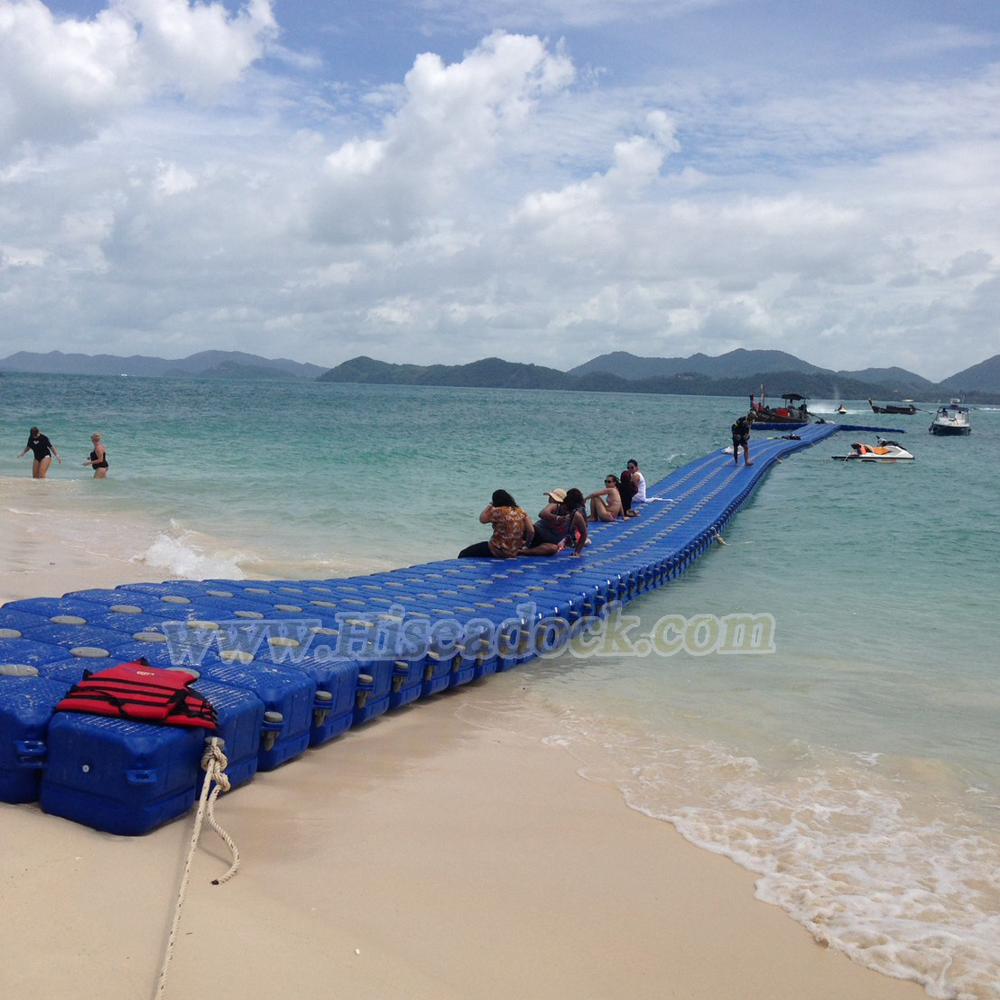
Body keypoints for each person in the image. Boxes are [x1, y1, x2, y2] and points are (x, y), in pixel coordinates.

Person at [458, 490, 534, 558]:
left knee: (463, 553)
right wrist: (526, 546)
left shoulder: (499, 511)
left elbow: (482, 519)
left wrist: (490, 505)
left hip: (496, 550)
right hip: (513, 552)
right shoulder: (521, 511)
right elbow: (531, 531)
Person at [523, 488, 589, 557]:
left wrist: (577, 551)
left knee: (553, 549)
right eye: (565, 508)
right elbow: (542, 514)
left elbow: (584, 533)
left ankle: (523, 551)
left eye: (569, 510)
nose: (566, 512)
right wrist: (557, 518)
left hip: (547, 543)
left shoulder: (576, 516)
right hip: (536, 532)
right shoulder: (555, 506)